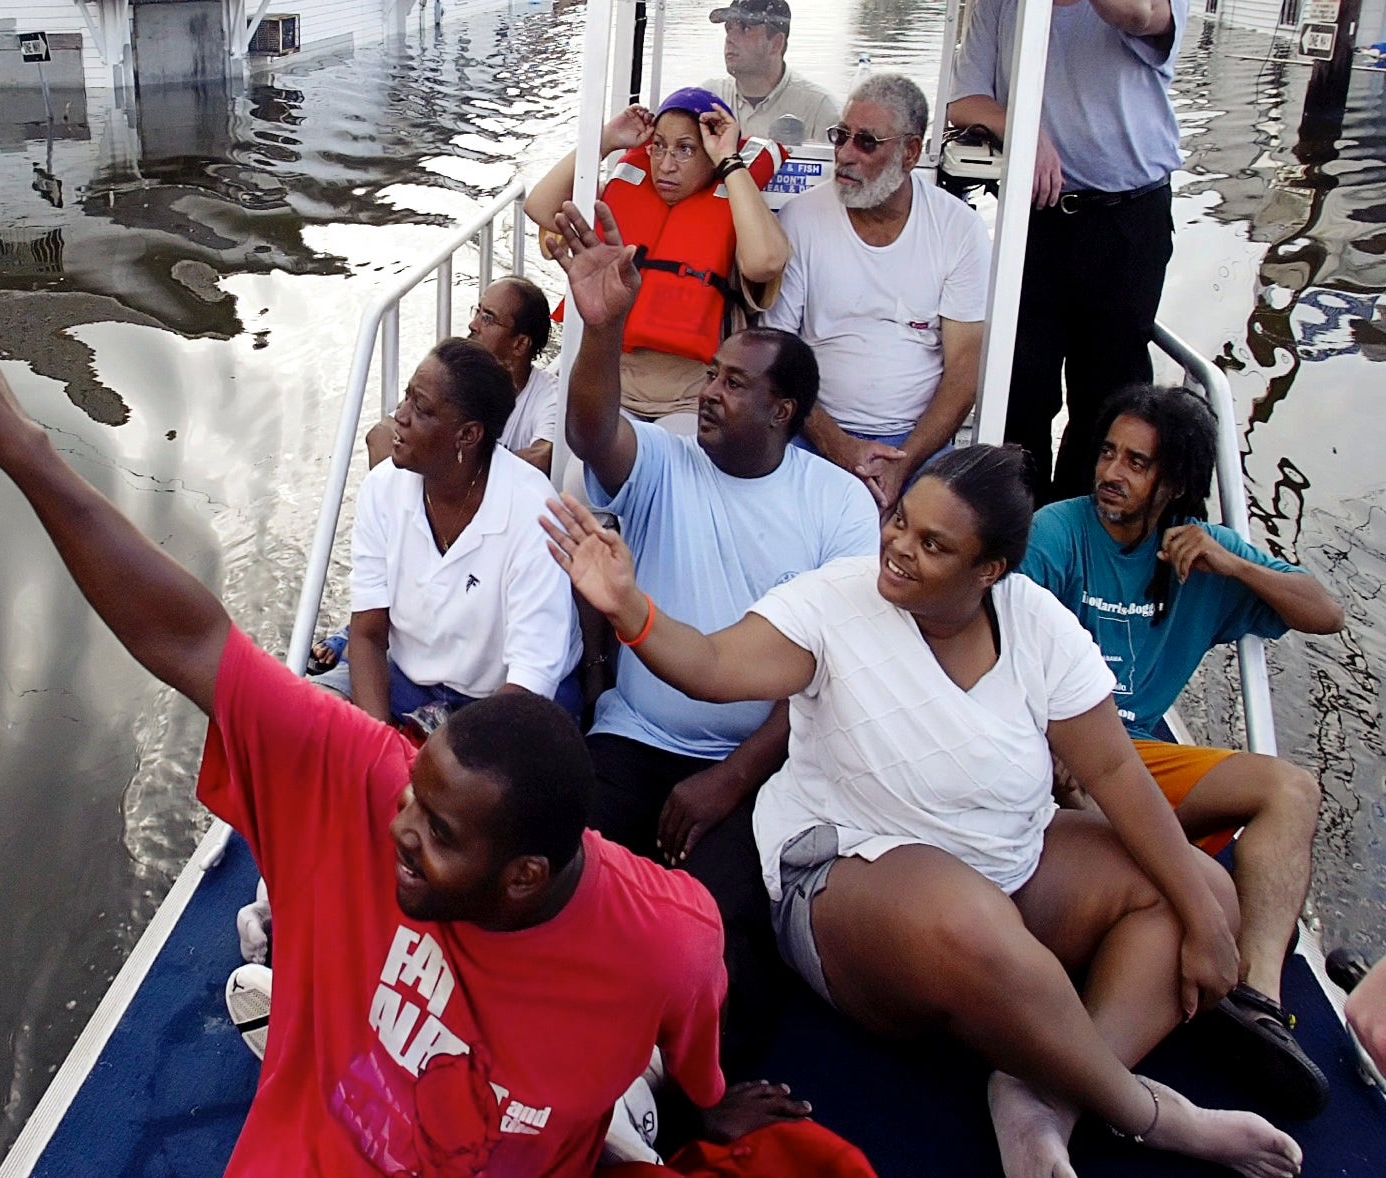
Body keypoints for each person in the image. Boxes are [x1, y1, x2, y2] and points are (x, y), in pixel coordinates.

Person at [0, 272, 814, 1174]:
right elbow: (197, 640)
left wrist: (711, 1098)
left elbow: (693, 1019)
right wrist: (22, 451)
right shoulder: (378, 798)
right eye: (414, 803)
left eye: (436, 833)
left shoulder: (667, 930)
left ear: (525, 878)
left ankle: (619, 1101)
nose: (398, 830)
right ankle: (304, 952)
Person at [544, 446, 1304, 1178]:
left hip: (1006, 866)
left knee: (1197, 892)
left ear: (990, 571)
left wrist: (1208, 924)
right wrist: (631, 608)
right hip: (847, 877)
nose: (898, 548)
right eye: (900, 521)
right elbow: (712, 665)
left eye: (933, 544)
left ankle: (1043, 1095)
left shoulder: (1035, 624)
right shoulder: (834, 602)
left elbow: (1112, 771)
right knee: (973, 925)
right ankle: (1147, 1111)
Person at [550, 196, 880, 1072]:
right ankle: (533, 1038)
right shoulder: (663, 458)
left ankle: (694, 1092)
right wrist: (601, 331)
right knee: (554, 858)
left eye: (735, 383)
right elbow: (591, 431)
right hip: (634, 736)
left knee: (725, 918)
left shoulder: (837, 505)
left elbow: (832, 674)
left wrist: (729, 782)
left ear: (785, 414)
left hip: (765, 764)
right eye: (714, 373)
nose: (709, 390)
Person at [1020, 384, 1345, 1117]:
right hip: (1069, 749)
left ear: (1173, 484)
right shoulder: (1057, 533)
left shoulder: (1204, 552)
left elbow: (1326, 614)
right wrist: (1048, 737)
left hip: (1142, 758)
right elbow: (1005, 648)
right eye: (1108, 452)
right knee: (1100, 816)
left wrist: (1236, 568)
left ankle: (1257, 999)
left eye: (1137, 463)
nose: (1112, 472)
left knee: (1291, 789)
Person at [947, 0, 1196, 500]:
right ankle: (1025, 536)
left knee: (1109, 397)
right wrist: (1023, 130)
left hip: (1128, 223)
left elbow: (1144, 13)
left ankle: (1089, 533)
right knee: (1020, 384)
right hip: (1038, 223)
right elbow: (964, 98)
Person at [326, 339, 580, 729]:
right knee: (300, 724)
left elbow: (530, 682)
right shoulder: (382, 489)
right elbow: (368, 637)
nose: (400, 415)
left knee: (461, 784)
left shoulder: (533, 512)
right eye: (406, 398)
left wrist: (444, 757)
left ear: (468, 435)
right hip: (408, 681)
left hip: (508, 704)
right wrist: (377, 747)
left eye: (420, 408)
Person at [765, 73, 989, 511]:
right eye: (840, 136)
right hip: (813, 432)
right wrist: (839, 447)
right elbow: (778, 352)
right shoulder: (801, 219)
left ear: (910, 152)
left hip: (918, 444)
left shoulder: (957, 228)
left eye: (867, 142)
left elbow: (966, 366)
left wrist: (903, 465)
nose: (846, 155)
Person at [527, 90, 793, 420]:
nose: (666, 166)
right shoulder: (624, 194)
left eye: (685, 149)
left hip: (691, 401)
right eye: (659, 147)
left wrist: (728, 160)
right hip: (609, 386)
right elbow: (539, 206)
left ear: (711, 156)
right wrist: (606, 140)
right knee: (577, 474)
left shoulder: (741, 215)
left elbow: (765, 262)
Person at [364, 276, 560, 476]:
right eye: (478, 311)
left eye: (488, 318)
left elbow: (542, 457)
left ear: (520, 344)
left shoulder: (550, 397)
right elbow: (380, 437)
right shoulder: (454, 376)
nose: (473, 325)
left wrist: (454, 475)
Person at [702, 0, 840, 147]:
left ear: (776, 43)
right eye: (729, 28)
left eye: (745, 29)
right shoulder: (710, 99)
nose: (730, 38)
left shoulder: (819, 111)